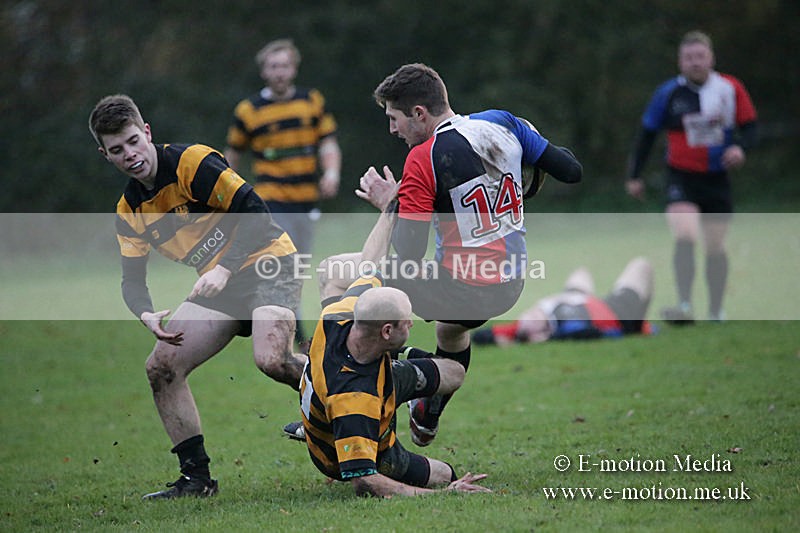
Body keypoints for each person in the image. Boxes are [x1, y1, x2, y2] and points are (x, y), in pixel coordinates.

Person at [318, 63, 582, 447]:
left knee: (335, 273)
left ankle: (329, 391)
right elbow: (571, 169)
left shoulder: (424, 157)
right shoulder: (503, 123)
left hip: (465, 286)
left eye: (394, 119)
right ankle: (428, 414)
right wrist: (529, 145)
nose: (392, 129)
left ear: (419, 113)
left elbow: (410, 252)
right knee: (450, 330)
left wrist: (392, 203)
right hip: (509, 285)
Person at [89, 94, 308, 499]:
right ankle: (196, 479)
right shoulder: (130, 211)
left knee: (271, 358)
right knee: (161, 367)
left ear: (147, 132)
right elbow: (132, 281)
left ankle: (348, 389)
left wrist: (224, 268)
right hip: (220, 285)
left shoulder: (192, 163)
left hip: (269, 261)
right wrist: (145, 314)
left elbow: (257, 212)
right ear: (105, 155)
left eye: (134, 141)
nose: (130, 154)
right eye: (117, 150)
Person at [299, 273, 491, 497]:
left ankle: (416, 408)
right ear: (387, 331)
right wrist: (447, 493)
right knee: (445, 474)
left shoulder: (337, 314)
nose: (412, 323)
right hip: (359, 451)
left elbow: (374, 273)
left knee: (454, 372)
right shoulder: (355, 400)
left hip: (377, 372)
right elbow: (364, 481)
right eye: (407, 320)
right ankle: (337, 429)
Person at [625, 31, 757, 323]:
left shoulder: (730, 88)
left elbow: (750, 128)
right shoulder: (668, 93)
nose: (695, 62)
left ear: (711, 58)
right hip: (680, 177)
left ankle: (715, 310)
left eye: (700, 56)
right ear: (680, 62)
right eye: (688, 57)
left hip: (716, 179)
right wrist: (634, 176)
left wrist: (740, 148)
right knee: (685, 235)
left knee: (715, 247)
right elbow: (646, 135)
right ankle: (684, 304)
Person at [225, 38, 341, 344]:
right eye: (274, 66)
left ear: (294, 69)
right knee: (284, 265)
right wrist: (229, 195)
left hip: (306, 200)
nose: (279, 72)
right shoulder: (249, 111)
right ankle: (298, 338)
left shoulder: (311, 101)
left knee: (296, 269)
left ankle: (287, 329)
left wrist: (331, 172)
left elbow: (328, 142)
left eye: (285, 66)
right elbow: (232, 155)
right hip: (271, 199)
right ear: (264, 71)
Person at [472, 257, 654, 345]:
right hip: (615, 310)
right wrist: (547, 339)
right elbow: (589, 334)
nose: (528, 316)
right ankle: (639, 326)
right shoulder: (566, 327)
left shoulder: (521, 326)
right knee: (641, 265)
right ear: (541, 331)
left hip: (576, 297)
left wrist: (507, 341)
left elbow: (481, 335)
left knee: (580, 271)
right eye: (532, 319)